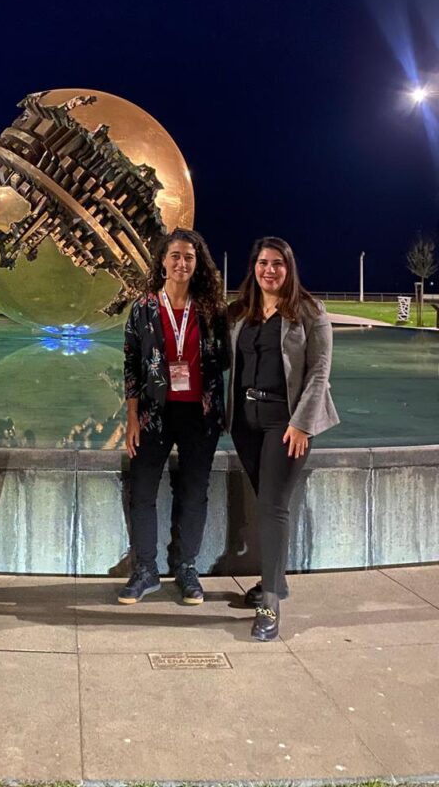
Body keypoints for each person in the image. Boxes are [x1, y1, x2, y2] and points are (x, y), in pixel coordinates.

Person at [227, 236, 339, 641]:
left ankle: (270, 605)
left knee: (273, 507)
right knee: (267, 502)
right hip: (246, 423)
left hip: (286, 424)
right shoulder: (242, 312)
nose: (269, 270)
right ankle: (276, 580)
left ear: (288, 268)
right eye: (262, 262)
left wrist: (302, 424)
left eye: (277, 263)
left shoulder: (309, 311)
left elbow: (319, 371)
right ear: (253, 267)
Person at [121, 228, 229, 605]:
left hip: (200, 414)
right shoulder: (144, 308)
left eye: (189, 257)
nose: (182, 263)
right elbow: (131, 366)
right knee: (142, 489)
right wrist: (132, 418)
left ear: (197, 264)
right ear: (163, 262)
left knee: (194, 491)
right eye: (175, 256)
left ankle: (186, 567)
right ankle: (145, 569)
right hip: (154, 413)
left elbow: (226, 359)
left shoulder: (212, 310)